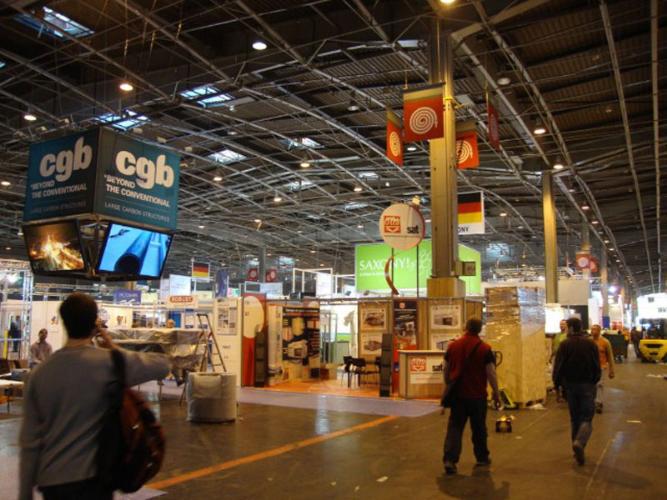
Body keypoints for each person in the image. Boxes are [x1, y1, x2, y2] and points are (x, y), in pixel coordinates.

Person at [19, 293, 170, 500]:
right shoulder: (109, 363)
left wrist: (24, 494)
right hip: (94, 480)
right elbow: (163, 365)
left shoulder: (38, 374)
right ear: (94, 324)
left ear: (64, 322)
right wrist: (112, 346)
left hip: (52, 480)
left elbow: (29, 442)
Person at [442, 318, 500, 475]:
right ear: (480, 330)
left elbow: (446, 370)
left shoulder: (453, 346)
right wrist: (496, 393)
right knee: (479, 428)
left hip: (458, 396)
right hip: (477, 396)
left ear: (465, 327)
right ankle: (482, 457)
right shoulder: (485, 348)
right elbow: (491, 374)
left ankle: (450, 460)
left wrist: (448, 386)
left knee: (455, 428)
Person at [553, 317, 601, 466]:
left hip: (570, 386)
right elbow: (597, 366)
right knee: (587, 418)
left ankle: (576, 449)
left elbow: (558, 367)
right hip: (587, 385)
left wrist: (557, 386)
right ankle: (580, 442)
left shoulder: (565, 345)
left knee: (575, 419)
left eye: (567, 327)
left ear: (572, 328)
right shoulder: (591, 344)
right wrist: (594, 381)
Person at [590, 324, 615, 413]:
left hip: (601, 367)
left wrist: (611, 370)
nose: (593, 331)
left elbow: (610, 357)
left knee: (599, 384)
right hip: (590, 367)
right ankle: (592, 402)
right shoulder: (588, 341)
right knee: (591, 385)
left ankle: (599, 403)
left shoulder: (605, 342)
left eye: (595, 330)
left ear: (599, 331)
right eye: (592, 330)